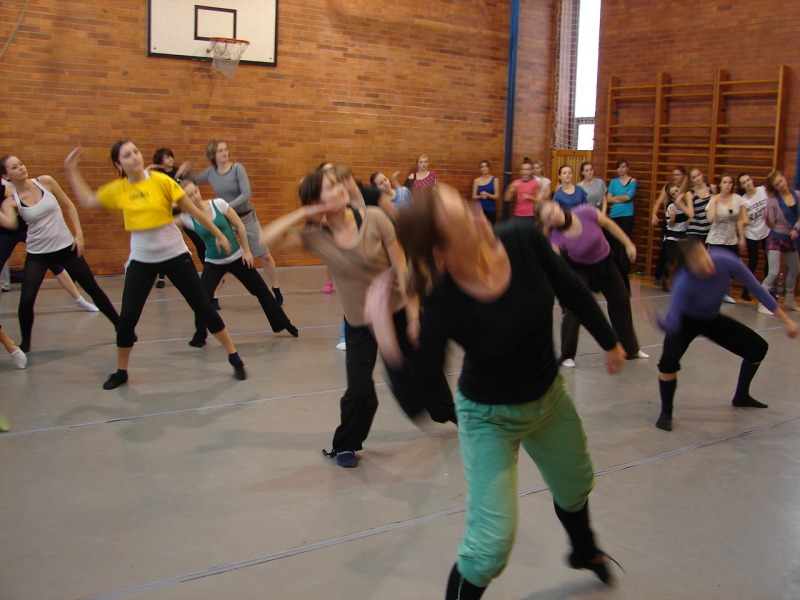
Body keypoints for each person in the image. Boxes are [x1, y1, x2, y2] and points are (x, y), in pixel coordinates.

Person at [365, 184, 627, 598]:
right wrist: (387, 339)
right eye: (462, 220)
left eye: (469, 207)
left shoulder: (523, 239)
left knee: (577, 484)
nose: (478, 216)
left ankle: (584, 550)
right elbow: (419, 400)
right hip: (489, 419)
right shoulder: (445, 303)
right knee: (489, 547)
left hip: (549, 398)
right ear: (441, 253)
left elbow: (572, 290)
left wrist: (610, 341)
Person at [260, 167, 455, 468]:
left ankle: (453, 414)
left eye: (338, 184)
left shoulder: (375, 219)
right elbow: (264, 240)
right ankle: (345, 444)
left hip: (397, 313)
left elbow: (403, 270)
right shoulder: (316, 236)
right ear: (316, 200)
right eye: (329, 188)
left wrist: (415, 317)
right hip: (359, 322)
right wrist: (306, 213)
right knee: (360, 390)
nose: (339, 189)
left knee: (426, 370)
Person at [64, 140, 246, 389]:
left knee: (203, 306)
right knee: (127, 318)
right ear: (119, 164)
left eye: (136, 152)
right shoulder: (119, 189)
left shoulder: (162, 181)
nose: (134, 157)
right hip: (142, 260)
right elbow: (87, 200)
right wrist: (72, 171)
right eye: (127, 155)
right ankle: (121, 371)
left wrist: (219, 234)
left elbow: (194, 211)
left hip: (175, 255)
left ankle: (234, 355)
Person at [653, 238, 797, 431]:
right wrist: (655, 319)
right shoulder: (683, 281)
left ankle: (741, 396)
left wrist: (785, 320)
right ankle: (666, 413)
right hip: (685, 322)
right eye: (697, 262)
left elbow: (756, 288)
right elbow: (672, 324)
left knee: (757, 349)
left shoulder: (724, 259)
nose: (705, 263)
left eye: (704, 256)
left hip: (711, 318)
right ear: (689, 267)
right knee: (668, 362)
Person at [0, 156, 120, 352]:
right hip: (38, 253)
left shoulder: (45, 181)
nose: (21, 168)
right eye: (15, 167)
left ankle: (120, 327)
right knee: (26, 300)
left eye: (21, 163)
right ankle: (25, 344)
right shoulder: (11, 202)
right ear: (6, 176)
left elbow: (69, 205)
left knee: (92, 288)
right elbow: (11, 225)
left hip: (66, 247)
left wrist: (79, 235)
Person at [176, 181, 298, 346]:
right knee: (202, 299)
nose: (194, 197)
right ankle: (200, 336)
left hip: (237, 257)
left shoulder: (218, 204)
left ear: (199, 190)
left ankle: (283, 323)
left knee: (261, 291)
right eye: (189, 196)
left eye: (195, 192)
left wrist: (247, 252)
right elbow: (163, 219)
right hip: (213, 262)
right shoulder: (186, 218)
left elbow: (240, 226)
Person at [539, 200, 648, 367]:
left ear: (558, 206)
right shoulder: (555, 236)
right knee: (574, 305)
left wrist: (628, 244)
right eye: (549, 217)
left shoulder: (585, 212)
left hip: (605, 262)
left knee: (621, 301)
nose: (554, 215)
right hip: (580, 268)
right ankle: (567, 355)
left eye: (553, 210)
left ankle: (630, 349)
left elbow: (609, 225)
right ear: (547, 223)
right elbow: (555, 262)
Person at [189, 140, 283, 305]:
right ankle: (214, 296)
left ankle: (276, 289)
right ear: (213, 155)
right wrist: (183, 172)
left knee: (265, 255)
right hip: (226, 220)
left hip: (246, 217)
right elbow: (193, 181)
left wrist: (225, 208)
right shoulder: (210, 172)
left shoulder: (237, 168)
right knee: (221, 257)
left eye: (226, 150)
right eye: (220, 151)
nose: (224, 153)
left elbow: (246, 194)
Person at [1, 187, 100, 313]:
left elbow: (16, 197)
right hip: (4, 234)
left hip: (26, 229)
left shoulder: (4, 189)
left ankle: (79, 299)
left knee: (54, 264)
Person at [148, 148, 205, 291]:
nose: (170, 159)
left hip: (183, 213)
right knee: (164, 245)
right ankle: (161, 277)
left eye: (171, 156)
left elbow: (191, 186)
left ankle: (209, 270)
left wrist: (187, 172)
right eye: (166, 157)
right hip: (167, 215)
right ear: (160, 160)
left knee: (199, 240)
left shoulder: (180, 172)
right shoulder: (157, 175)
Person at [757, 170, 800, 315]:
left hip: (790, 238)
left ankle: (789, 300)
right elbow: (771, 224)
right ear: (774, 187)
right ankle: (762, 302)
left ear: (784, 179)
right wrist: (766, 216)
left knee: (795, 269)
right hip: (775, 238)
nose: (781, 185)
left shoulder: (797, 195)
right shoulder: (773, 200)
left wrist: (796, 228)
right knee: (773, 272)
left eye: (781, 181)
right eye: (777, 184)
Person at [705, 173, 747, 304]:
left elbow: (740, 219)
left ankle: (724, 292)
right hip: (716, 238)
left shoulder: (737, 199)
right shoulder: (714, 199)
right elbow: (710, 219)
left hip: (731, 238)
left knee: (732, 267)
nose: (727, 185)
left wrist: (741, 237)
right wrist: (714, 201)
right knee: (715, 267)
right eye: (724, 182)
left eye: (730, 182)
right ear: (720, 184)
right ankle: (711, 292)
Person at [651, 166, 689, 286]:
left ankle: (679, 281)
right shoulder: (668, 189)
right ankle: (661, 276)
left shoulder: (685, 191)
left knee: (682, 257)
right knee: (666, 252)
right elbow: (658, 202)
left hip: (682, 227)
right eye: (674, 174)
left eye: (678, 174)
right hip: (671, 224)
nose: (675, 177)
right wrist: (654, 214)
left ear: (683, 176)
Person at [737, 173, 770, 301]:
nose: (747, 183)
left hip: (766, 230)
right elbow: (741, 220)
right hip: (751, 233)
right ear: (741, 186)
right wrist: (741, 236)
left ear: (752, 180)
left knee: (769, 261)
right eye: (744, 182)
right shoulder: (743, 200)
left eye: (748, 180)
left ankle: (767, 290)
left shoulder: (763, 191)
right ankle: (745, 290)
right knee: (753, 261)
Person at [605, 159, 637, 289]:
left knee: (626, 240)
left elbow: (629, 197)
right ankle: (616, 268)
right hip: (615, 214)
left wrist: (615, 198)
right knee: (615, 243)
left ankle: (626, 268)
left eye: (623, 167)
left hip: (627, 214)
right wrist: (621, 198)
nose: (621, 169)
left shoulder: (632, 181)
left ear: (627, 168)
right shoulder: (613, 182)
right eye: (619, 167)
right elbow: (608, 199)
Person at [660, 182, 695, 292]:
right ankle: (666, 283)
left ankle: (680, 284)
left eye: (676, 191)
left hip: (683, 236)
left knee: (682, 262)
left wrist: (689, 219)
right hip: (672, 236)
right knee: (671, 261)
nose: (676, 194)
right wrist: (672, 219)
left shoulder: (686, 204)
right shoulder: (671, 206)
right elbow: (669, 224)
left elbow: (691, 215)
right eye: (673, 194)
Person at [685, 167, 716, 242]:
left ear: (702, 175)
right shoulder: (690, 193)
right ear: (691, 180)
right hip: (695, 227)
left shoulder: (711, 187)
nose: (697, 178)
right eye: (694, 177)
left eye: (698, 175)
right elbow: (691, 214)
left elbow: (716, 205)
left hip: (709, 226)